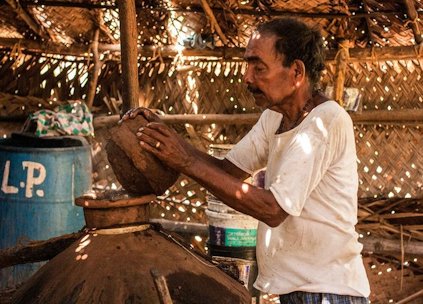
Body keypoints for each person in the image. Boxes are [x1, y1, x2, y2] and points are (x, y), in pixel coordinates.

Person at [122, 17, 370, 304]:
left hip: (328, 292)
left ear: (297, 72)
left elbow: (274, 209)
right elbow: (227, 172)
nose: (247, 78)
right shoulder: (275, 118)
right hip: (297, 290)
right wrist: (170, 140)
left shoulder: (325, 122)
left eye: (259, 67)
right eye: (247, 65)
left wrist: (185, 160)